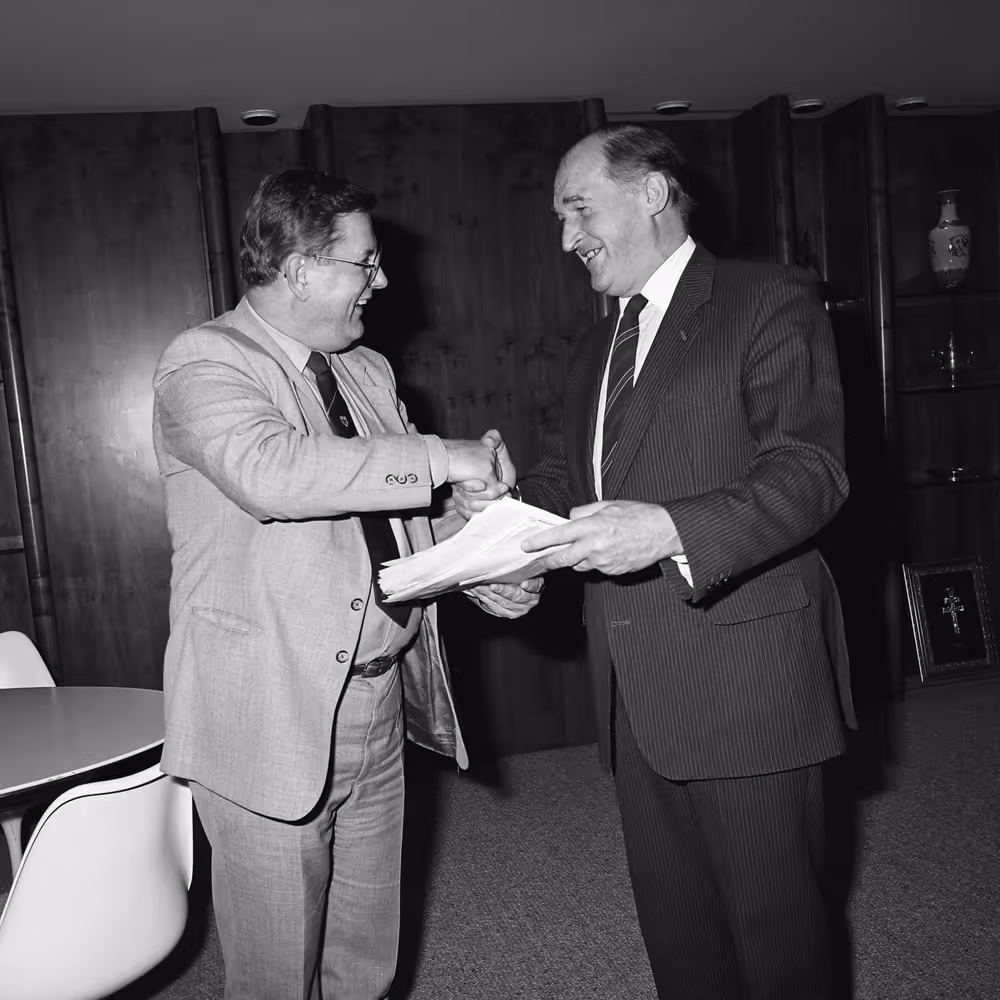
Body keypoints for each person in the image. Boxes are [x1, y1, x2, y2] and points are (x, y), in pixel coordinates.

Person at [457, 125, 856, 999]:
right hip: (635, 688)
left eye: (577, 209)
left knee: (777, 935)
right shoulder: (598, 344)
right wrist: (500, 520)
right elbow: (580, 480)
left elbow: (810, 471)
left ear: (651, 192)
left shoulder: (771, 298)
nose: (566, 239)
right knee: (680, 938)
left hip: (749, 676)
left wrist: (671, 529)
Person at [152, 169, 539, 1000]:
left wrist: (486, 558)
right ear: (297, 269)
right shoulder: (203, 361)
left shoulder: (364, 370)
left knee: (366, 957)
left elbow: (393, 521)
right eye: (364, 263)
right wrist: (442, 455)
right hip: (265, 710)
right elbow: (274, 473)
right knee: (275, 975)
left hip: (377, 700)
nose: (382, 281)